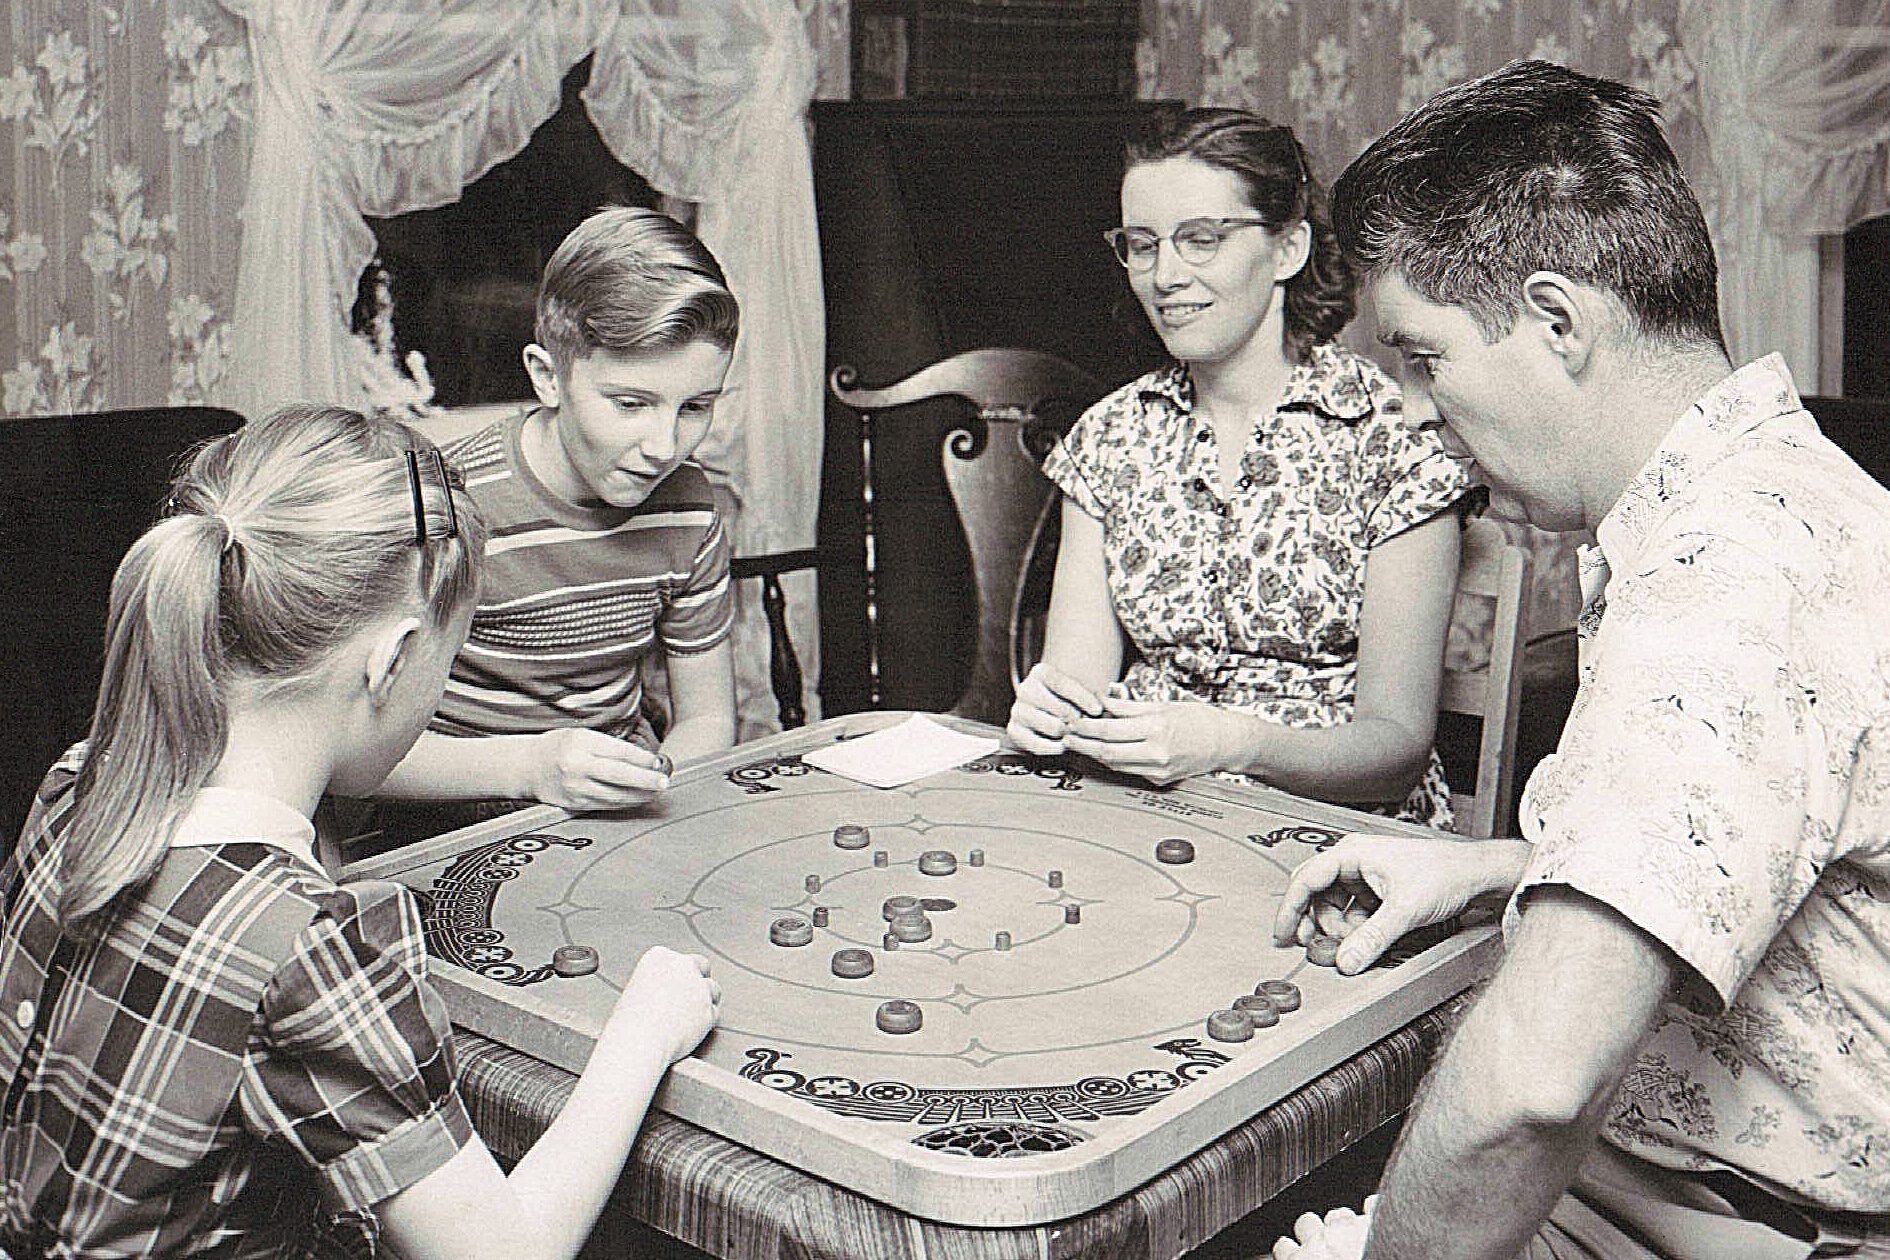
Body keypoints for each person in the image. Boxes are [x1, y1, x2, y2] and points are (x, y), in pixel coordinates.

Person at [1271, 61, 1890, 1259]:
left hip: (1747, 1227)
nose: (1408, 407)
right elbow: (1772, 848)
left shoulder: (1728, 580)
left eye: (1423, 357)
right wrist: (1507, 871)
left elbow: (1531, 1092)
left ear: (1556, 321)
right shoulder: (1769, 491)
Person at [0, 406, 721, 1259]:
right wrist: (646, 1032)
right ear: (392, 659)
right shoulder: (307, 948)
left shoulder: (80, 783)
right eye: (445, 667)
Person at [1006, 106, 1474, 827]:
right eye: (1142, 244)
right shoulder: (1107, 440)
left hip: (1338, 835)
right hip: (1143, 815)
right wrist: (1052, 712)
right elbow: (1078, 682)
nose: (1165, 276)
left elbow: (1397, 747)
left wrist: (1233, 745)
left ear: (1288, 249)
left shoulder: (1394, 438)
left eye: (1201, 240)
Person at [377, 206, 739, 827]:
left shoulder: (689, 510)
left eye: (695, 406)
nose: (665, 446)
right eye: (631, 403)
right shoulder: (448, 503)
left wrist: (647, 782)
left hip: (615, 810)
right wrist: (535, 769)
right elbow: (359, 756)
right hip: (452, 814)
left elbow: (707, 719)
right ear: (549, 377)